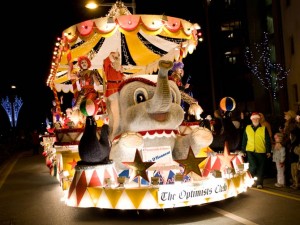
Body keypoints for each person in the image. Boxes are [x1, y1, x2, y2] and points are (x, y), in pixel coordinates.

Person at [241, 112, 272, 189]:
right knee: (253, 166)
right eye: (254, 118)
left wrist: (268, 151)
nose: (255, 119)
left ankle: (259, 183)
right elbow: (244, 140)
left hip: (261, 150)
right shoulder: (247, 128)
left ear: (259, 119)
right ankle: (249, 180)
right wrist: (243, 150)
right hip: (250, 150)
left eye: (257, 118)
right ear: (251, 119)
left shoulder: (264, 128)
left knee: (261, 168)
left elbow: (267, 140)